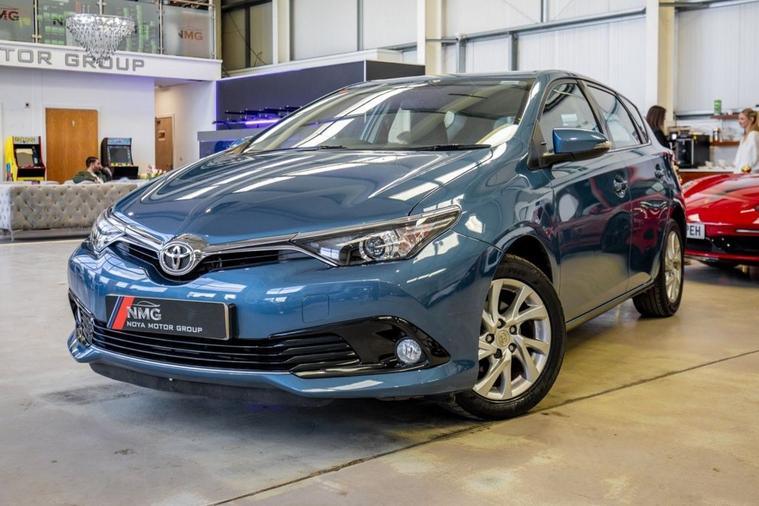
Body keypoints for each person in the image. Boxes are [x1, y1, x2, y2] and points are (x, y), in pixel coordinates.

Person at [734, 108, 759, 173]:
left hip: (748, 174)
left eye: (742, 119)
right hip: (741, 173)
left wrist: (744, 172)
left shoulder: (753, 135)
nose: (739, 121)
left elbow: (752, 158)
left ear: (751, 119)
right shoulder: (744, 137)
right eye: (739, 119)